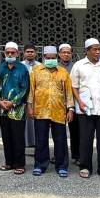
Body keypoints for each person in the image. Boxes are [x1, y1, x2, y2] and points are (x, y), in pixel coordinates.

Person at [71, 38, 100, 179]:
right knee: (86, 138)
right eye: (95, 49)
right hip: (85, 108)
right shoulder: (79, 65)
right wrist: (79, 102)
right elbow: (74, 86)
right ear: (87, 51)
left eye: (99, 49)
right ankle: (85, 166)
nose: (98, 52)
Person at [28, 46, 74, 178]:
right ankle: (40, 165)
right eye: (48, 58)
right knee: (41, 139)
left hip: (59, 111)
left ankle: (62, 166)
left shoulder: (63, 72)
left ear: (56, 57)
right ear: (43, 58)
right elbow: (31, 90)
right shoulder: (36, 71)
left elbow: (68, 92)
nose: (51, 60)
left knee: (60, 140)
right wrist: (29, 107)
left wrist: (70, 109)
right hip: (40, 110)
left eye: (53, 58)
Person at [0, 42, 29, 175]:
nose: (10, 54)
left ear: (17, 54)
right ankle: (8, 162)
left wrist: (13, 103)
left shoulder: (22, 69)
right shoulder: (0, 68)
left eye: (12, 52)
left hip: (17, 110)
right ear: (4, 53)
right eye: (7, 52)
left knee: (18, 137)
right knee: (6, 136)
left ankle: (19, 164)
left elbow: (25, 89)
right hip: (2, 108)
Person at [59, 43, 79, 165]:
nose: (66, 54)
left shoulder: (76, 66)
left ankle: (76, 155)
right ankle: (59, 155)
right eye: (64, 52)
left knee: (75, 130)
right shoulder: (54, 67)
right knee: (59, 131)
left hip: (73, 102)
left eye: (68, 52)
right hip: (58, 103)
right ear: (59, 54)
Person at [21, 43, 40, 149]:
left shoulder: (40, 66)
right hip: (23, 96)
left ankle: (35, 142)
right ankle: (26, 142)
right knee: (25, 120)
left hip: (37, 97)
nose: (30, 54)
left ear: (35, 53)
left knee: (35, 119)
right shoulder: (20, 65)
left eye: (32, 52)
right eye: (28, 52)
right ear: (24, 53)